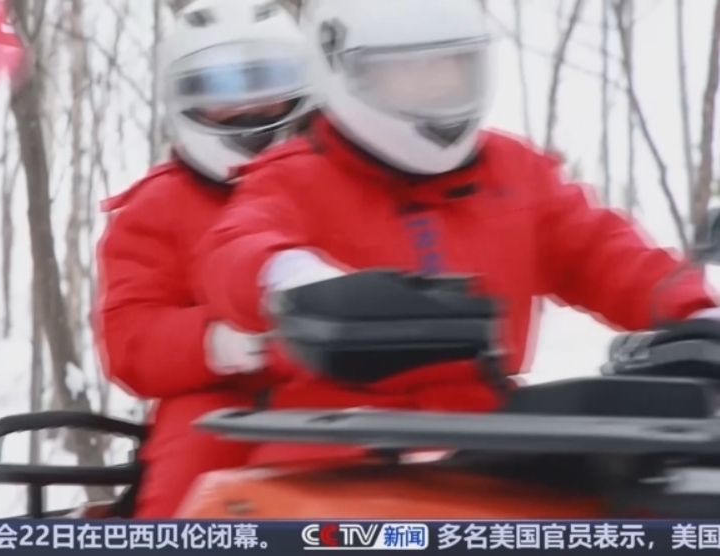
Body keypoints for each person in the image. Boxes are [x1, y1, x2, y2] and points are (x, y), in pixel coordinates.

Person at [194, 0, 719, 465]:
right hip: (331, 438)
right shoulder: (293, 177)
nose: (436, 87)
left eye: (453, 68)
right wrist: (294, 278)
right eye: (408, 72)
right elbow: (233, 246)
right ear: (341, 69)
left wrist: (695, 312)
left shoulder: (514, 173)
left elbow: (602, 251)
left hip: (488, 433)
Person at [94, 0, 312, 517]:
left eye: (269, 84)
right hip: (218, 400)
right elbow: (128, 334)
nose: (249, 108)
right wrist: (210, 341)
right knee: (193, 470)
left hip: (338, 393)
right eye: (220, 90)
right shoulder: (154, 209)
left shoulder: (337, 182)